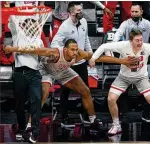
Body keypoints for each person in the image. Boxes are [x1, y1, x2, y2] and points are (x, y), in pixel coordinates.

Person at [3, 39, 139, 130]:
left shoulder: (78, 54)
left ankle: (93, 121)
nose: (75, 52)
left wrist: (123, 61)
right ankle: (30, 125)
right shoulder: (54, 53)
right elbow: (32, 50)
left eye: (76, 49)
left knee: (85, 91)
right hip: (46, 70)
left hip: (63, 71)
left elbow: (99, 58)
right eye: (72, 50)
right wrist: (12, 48)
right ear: (65, 49)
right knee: (43, 96)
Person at [89, 29, 150, 136]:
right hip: (124, 77)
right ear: (131, 41)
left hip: (141, 78)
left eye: (141, 40)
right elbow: (104, 47)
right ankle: (116, 125)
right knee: (111, 99)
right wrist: (93, 58)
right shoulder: (123, 46)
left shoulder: (147, 47)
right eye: (137, 40)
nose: (140, 43)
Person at [112, 3, 150, 122]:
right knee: (123, 87)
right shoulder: (125, 23)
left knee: (146, 87)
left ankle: (145, 113)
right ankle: (121, 113)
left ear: (141, 12)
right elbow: (118, 34)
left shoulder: (147, 23)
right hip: (127, 58)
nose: (133, 14)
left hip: (142, 59)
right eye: (132, 12)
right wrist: (113, 45)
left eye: (136, 12)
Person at [50, 2, 91, 123]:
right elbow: (54, 43)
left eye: (81, 9)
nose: (81, 12)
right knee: (65, 91)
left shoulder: (84, 22)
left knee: (85, 91)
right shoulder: (64, 26)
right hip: (69, 65)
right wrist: (64, 54)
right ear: (71, 12)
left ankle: (86, 114)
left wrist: (90, 55)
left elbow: (86, 39)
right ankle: (63, 116)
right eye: (78, 10)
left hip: (82, 63)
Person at [8, 17, 44, 143]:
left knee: (36, 100)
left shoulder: (39, 40)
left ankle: (35, 132)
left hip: (34, 74)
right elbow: (12, 23)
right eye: (28, 25)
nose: (31, 27)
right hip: (20, 73)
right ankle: (22, 128)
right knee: (19, 105)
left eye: (33, 25)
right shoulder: (17, 36)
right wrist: (15, 13)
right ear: (24, 26)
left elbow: (42, 59)